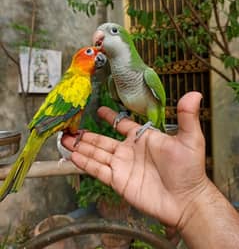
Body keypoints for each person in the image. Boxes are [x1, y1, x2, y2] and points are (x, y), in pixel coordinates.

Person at [61, 91, 239, 248]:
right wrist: (191, 202)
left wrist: (192, 197)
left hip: (151, 124)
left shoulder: (146, 75)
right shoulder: (113, 83)